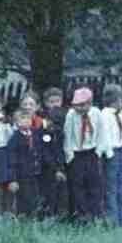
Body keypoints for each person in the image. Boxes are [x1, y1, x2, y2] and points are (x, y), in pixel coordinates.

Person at [63, 87, 106, 221]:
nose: (79, 108)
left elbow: (101, 133)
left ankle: (95, 215)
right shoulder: (71, 115)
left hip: (92, 152)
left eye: (82, 105)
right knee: (78, 186)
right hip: (77, 154)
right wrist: (70, 156)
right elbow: (68, 135)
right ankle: (82, 215)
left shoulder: (96, 113)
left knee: (94, 184)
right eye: (76, 105)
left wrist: (98, 152)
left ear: (90, 103)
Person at [99, 85, 122, 228]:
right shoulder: (104, 114)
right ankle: (113, 221)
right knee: (111, 188)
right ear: (113, 100)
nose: (121, 101)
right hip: (111, 153)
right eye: (119, 99)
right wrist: (110, 153)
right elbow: (105, 135)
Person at [5, 107, 42, 217]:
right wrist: (13, 179)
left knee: (35, 197)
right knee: (24, 199)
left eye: (28, 118)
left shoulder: (35, 134)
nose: (26, 121)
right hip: (22, 174)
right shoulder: (14, 139)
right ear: (16, 122)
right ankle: (24, 218)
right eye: (22, 118)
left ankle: (35, 217)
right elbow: (12, 160)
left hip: (35, 172)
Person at [39, 88, 69, 219]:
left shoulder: (67, 117)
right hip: (50, 162)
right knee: (50, 192)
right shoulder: (45, 122)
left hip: (65, 158)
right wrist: (55, 166)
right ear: (46, 103)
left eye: (57, 101)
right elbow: (45, 145)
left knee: (64, 192)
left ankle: (63, 217)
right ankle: (50, 216)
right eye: (51, 102)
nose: (55, 104)